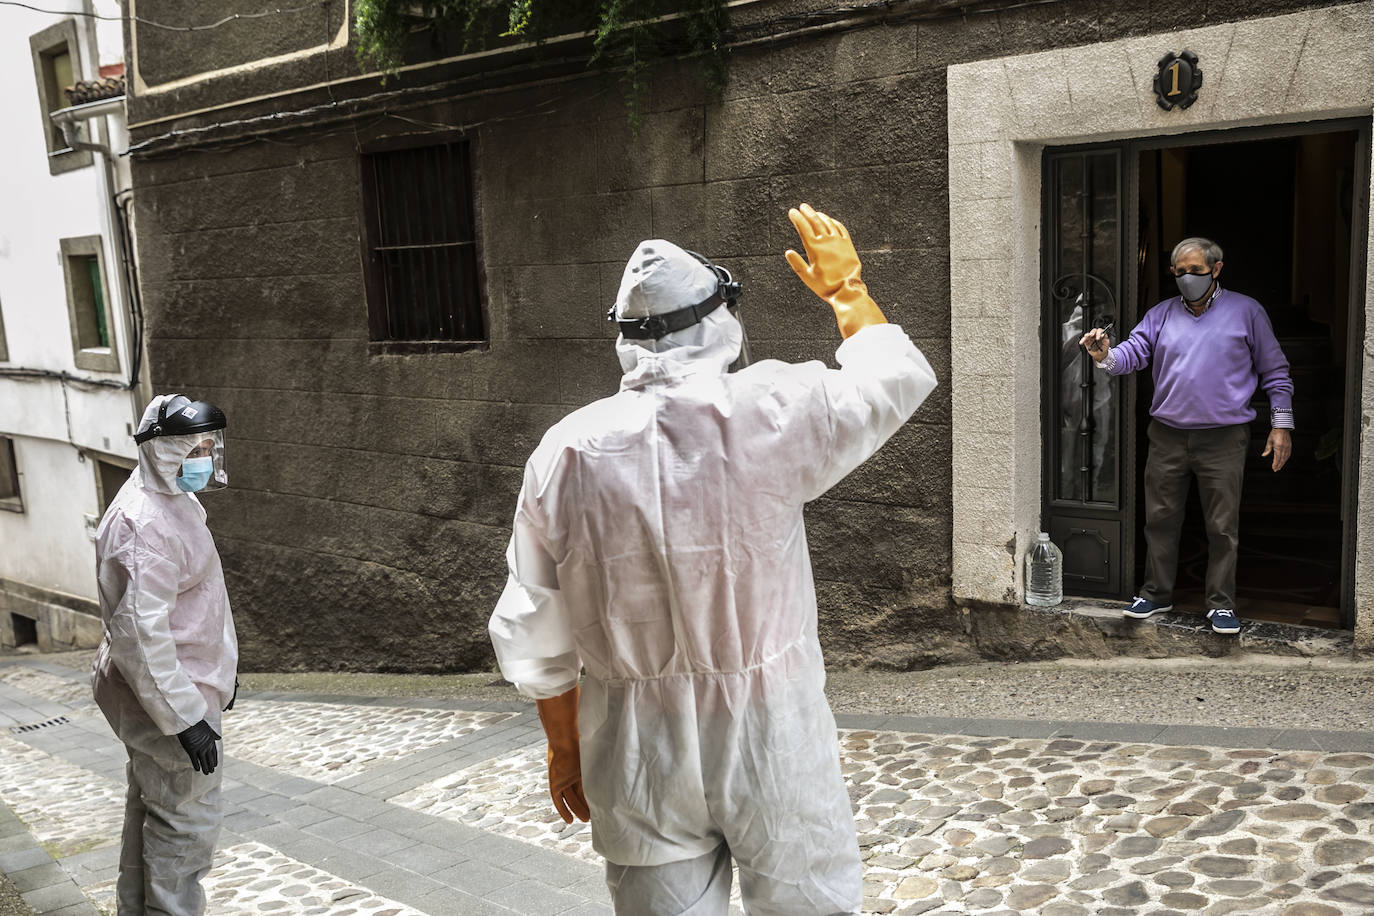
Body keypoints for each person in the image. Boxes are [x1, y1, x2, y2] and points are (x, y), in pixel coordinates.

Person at [489, 204, 937, 915]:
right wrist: (847, 289)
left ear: (625, 337)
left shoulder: (566, 451)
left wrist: (567, 746)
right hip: (772, 736)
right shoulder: (771, 409)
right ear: (718, 319)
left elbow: (533, 621)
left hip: (638, 751)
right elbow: (894, 380)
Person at [1080, 237, 1293, 635]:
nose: (1187, 279)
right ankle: (1156, 593)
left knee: (1222, 526)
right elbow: (1131, 355)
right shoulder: (1160, 315)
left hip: (1224, 438)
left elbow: (1276, 373)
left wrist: (1282, 426)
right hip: (1167, 436)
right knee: (1159, 519)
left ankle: (1221, 604)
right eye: (1179, 272)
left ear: (1216, 269)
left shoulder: (1247, 312)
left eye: (1195, 271)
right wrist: (1104, 354)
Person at [92, 393, 238, 915]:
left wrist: (220, 671)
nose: (205, 457)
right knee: (184, 824)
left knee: (151, 807)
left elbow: (192, 605)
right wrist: (184, 718)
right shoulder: (144, 524)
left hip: (179, 684)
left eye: (208, 447)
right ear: (162, 450)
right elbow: (139, 633)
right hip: (165, 697)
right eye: (194, 448)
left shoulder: (173, 502)